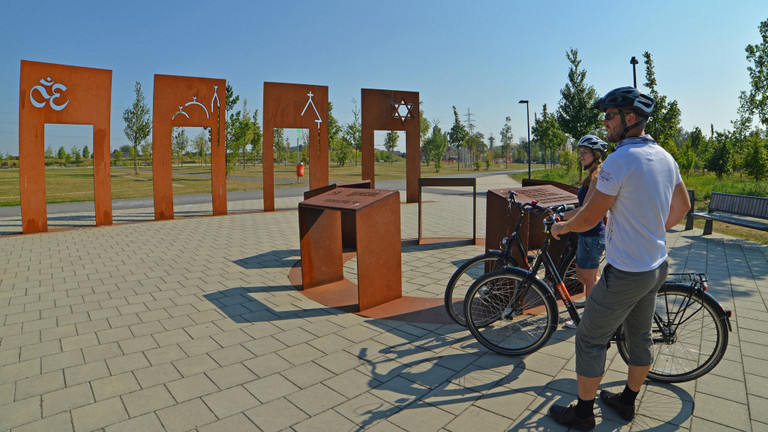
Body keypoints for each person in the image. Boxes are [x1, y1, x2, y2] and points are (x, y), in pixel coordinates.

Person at [547, 86, 691, 431]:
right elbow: (683, 207)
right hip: (655, 265)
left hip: (626, 271)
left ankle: (582, 414)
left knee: (589, 338)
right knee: (638, 337)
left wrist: (563, 228)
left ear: (630, 118)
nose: (605, 122)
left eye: (609, 116)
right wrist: (651, 228)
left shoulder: (619, 160)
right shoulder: (665, 157)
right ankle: (626, 402)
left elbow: (590, 217)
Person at [562, 135, 608, 329]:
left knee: (588, 280)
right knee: (585, 276)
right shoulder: (591, 175)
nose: (581, 156)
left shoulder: (596, 177)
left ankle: (587, 322)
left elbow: (586, 208)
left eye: (585, 153)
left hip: (592, 234)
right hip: (586, 233)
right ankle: (598, 309)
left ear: (595, 154)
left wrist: (562, 216)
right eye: (580, 153)